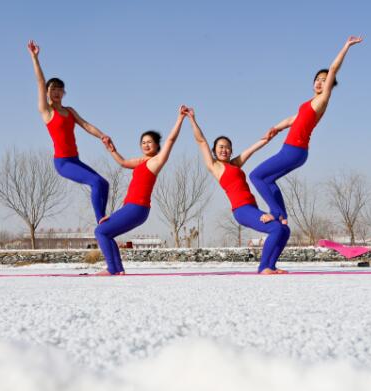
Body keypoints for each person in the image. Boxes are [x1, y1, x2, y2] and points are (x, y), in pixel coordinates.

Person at [250, 36, 363, 225]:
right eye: (318, 79)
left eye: (324, 81)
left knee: (255, 176)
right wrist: (274, 129)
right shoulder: (307, 104)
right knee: (268, 180)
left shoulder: (322, 100)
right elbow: (291, 120)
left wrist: (346, 47)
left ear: (329, 85)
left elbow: (333, 68)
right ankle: (282, 218)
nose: (319, 83)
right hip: (293, 150)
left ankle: (276, 213)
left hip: (294, 150)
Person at [186, 107, 290, 274]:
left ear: (231, 151)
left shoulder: (235, 164)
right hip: (241, 210)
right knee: (276, 228)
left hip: (252, 208)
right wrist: (192, 119)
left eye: (227, 147)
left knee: (284, 230)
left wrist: (269, 137)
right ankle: (263, 267)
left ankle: (271, 265)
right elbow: (201, 141)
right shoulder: (215, 167)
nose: (224, 150)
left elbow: (251, 149)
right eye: (220, 147)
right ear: (214, 150)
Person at [94, 106, 187, 275]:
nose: (145, 144)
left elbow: (171, 140)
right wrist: (111, 149)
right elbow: (122, 162)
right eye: (143, 142)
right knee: (106, 233)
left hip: (137, 207)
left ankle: (112, 269)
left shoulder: (156, 161)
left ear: (157, 145)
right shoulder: (141, 162)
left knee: (100, 231)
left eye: (149, 142)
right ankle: (117, 269)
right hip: (131, 208)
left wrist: (180, 119)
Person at [27, 40, 111, 224]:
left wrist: (102, 136)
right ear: (48, 93)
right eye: (52, 90)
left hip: (75, 160)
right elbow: (40, 82)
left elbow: (86, 125)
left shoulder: (70, 111)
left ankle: (103, 218)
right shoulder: (47, 111)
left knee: (104, 183)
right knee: (96, 183)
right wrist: (35, 58)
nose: (56, 93)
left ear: (64, 92)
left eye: (59, 90)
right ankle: (100, 221)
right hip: (63, 163)